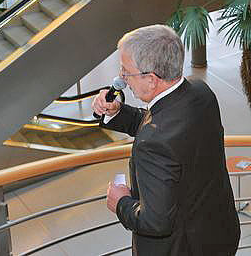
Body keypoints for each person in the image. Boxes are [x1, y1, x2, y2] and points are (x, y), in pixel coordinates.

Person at [93, 25, 240, 255]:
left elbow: (155, 222)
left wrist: (120, 203)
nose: (121, 80)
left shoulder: (152, 145)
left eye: (125, 72)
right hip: (219, 234)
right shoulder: (200, 92)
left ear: (151, 79)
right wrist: (117, 112)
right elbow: (165, 124)